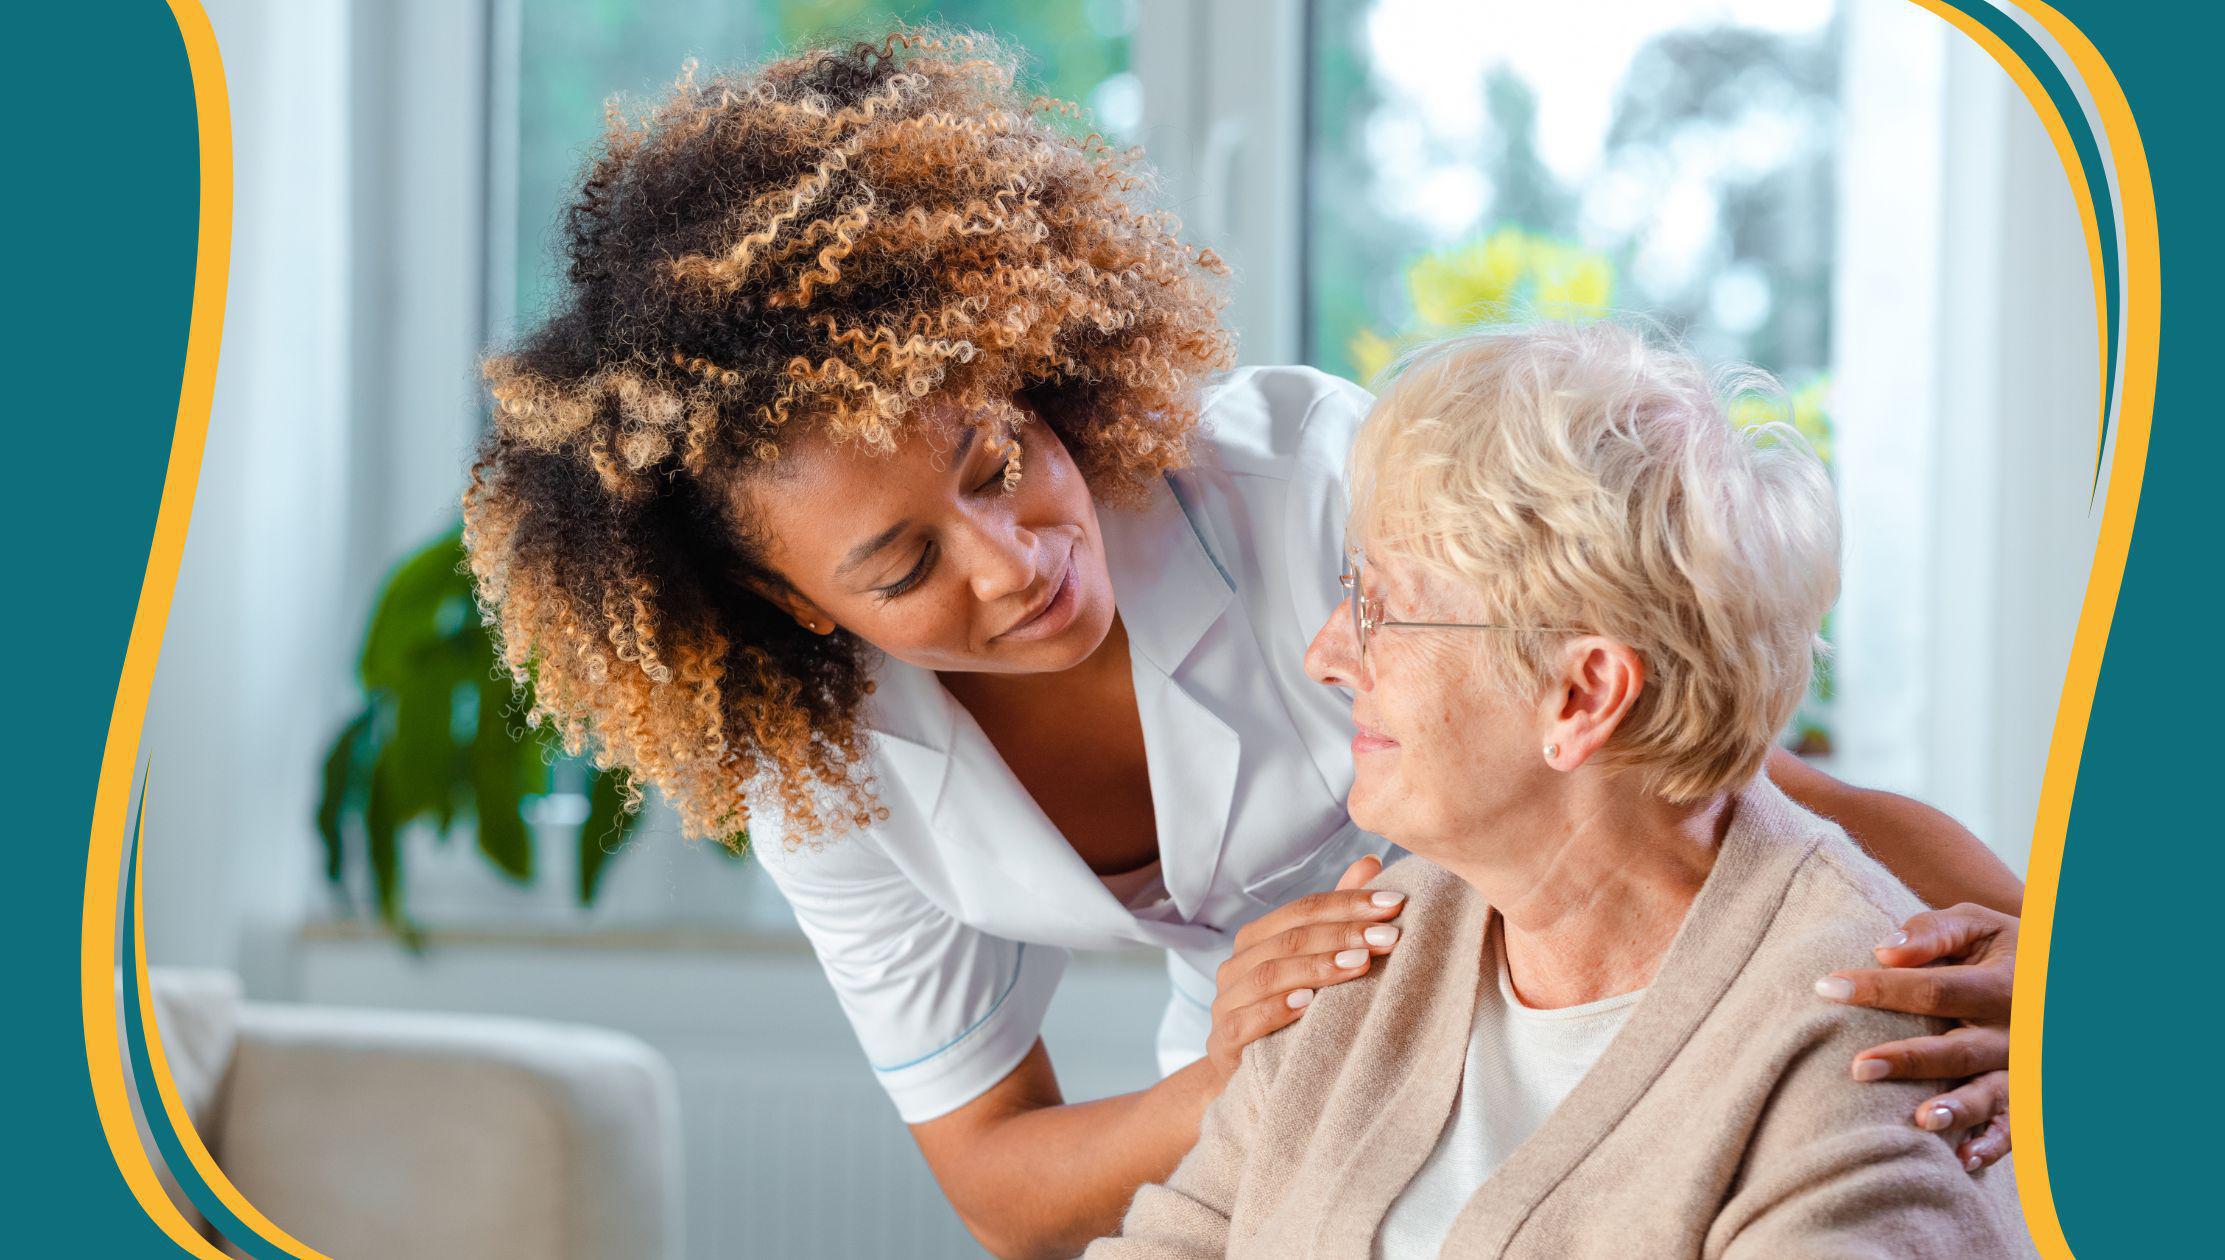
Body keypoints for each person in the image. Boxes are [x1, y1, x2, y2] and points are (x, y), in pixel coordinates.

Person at [461, 30, 2024, 1258]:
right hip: (1310, 1055)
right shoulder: (824, 763)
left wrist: (2052, 968)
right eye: (902, 564)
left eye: (999, 461)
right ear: (804, 609)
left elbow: (1708, 766)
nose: (1014, 564)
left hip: (1580, 965)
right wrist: (1242, 1075)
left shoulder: (1307, 489)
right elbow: (1005, 1188)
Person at [1089, 322, 2031, 1259]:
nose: (1326, 653)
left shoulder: (1864, 1056)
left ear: (1582, 695)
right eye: (1347, 586)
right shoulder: (1369, 948)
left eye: (1382, 606)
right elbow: (1179, 1240)